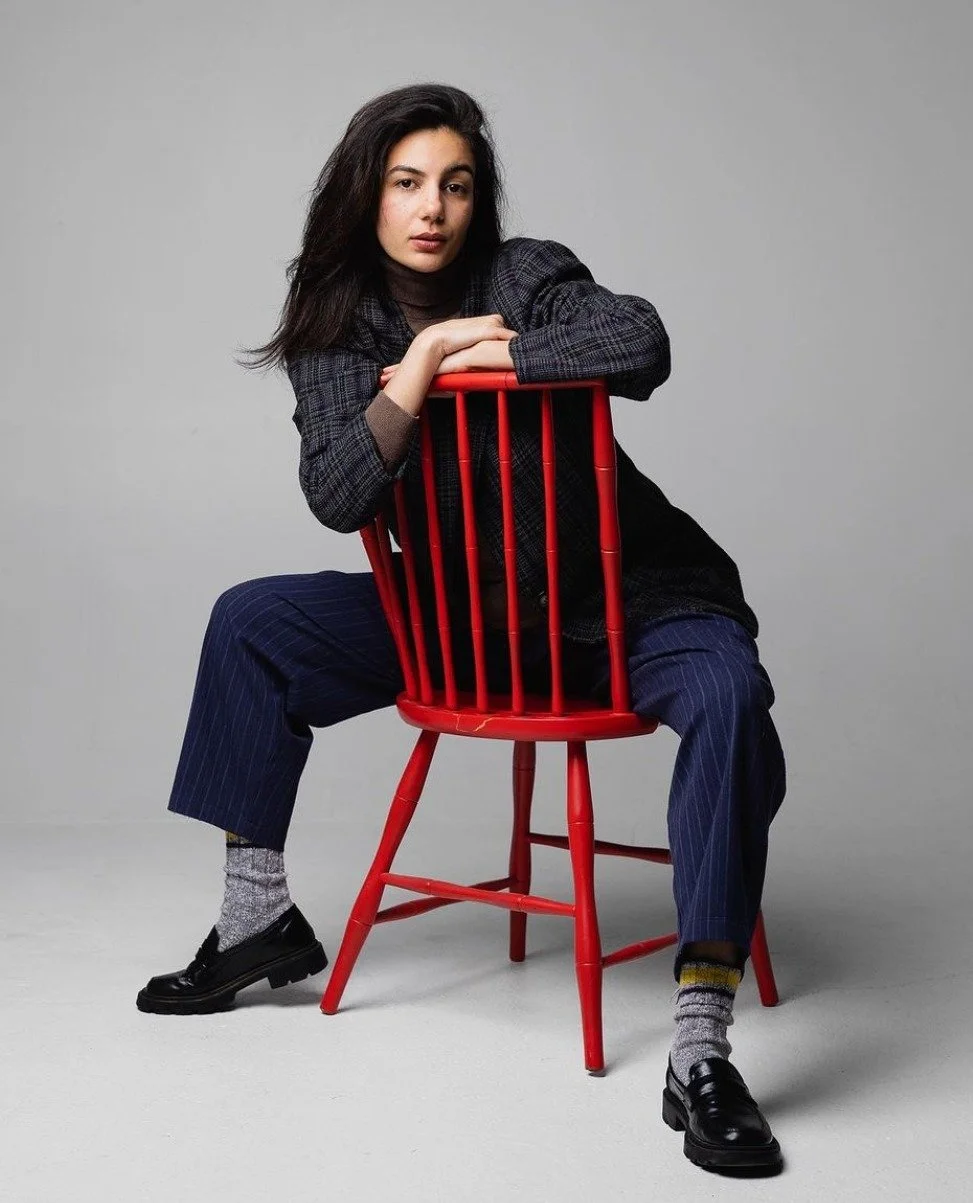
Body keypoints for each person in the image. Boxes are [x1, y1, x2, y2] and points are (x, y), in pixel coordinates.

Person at [136, 83, 786, 1175]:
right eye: (404, 183)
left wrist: (505, 355)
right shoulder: (336, 325)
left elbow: (641, 341)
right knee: (251, 623)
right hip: (463, 615)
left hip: (622, 599)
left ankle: (699, 1046)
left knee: (730, 696)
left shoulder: (522, 272)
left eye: (454, 183)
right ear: (367, 195)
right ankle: (256, 920)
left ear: (476, 198)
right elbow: (339, 490)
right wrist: (433, 361)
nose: (431, 206)